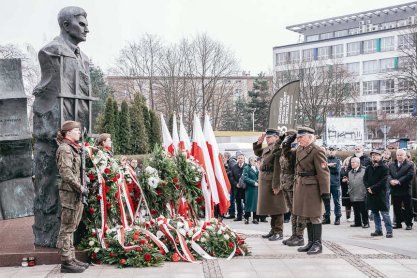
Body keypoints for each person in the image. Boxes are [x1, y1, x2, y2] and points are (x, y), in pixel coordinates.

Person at [56, 121, 89, 273]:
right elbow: (66, 173)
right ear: (68, 132)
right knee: (67, 228)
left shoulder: (73, 148)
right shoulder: (65, 149)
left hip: (75, 193)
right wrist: (80, 187)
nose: (79, 133)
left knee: (72, 227)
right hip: (70, 193)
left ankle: (71, 258)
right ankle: (66, 261)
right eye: (76, 130)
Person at [293, 127, 330, 255]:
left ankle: (317, 244)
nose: (298, 139)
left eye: (301, 137)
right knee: (306, 216)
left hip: (313, 187)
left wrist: (325, 192)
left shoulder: (317, 151)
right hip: (302, 185)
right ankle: (310, 242)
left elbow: (323, 173)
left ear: (310, 137)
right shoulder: (300, 149)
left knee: (315, 216)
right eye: (298, 137)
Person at [253, 129, 288, 241]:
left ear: (276, 137)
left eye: (269, 137)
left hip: (273, 179)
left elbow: (278, 168)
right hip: (265, 179)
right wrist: (259, 142)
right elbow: (258, 153)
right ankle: (273, 230)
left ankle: (278, 231)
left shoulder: (278, 148)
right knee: (270, 207)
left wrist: (277, 185)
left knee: (277, 207)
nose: (267, 139)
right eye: (266, 137)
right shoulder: (269, 148)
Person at [280, 130, 306, 247]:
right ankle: (294, 234)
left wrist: (293, 137)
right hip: (286, 183)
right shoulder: (292, 150)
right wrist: (287, 139)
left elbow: (287, 153)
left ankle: (299, 236)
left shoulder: (299, 151)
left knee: (297, 211)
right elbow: (284, 150)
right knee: (292, 211)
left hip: (293, 183)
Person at [364, 150, 393, 238]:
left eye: (376, 155)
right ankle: (378, 230)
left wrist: (372, 188)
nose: (374, 157)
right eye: (372, 155)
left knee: (384, 213)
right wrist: (368, 188)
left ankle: (389, 231)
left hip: (381, 194)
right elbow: (365, 179)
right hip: (371, 194)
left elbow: (384, 181)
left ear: (380, 156)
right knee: (375, 212)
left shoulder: (384, 167)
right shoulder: (368, 167)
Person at [388, 149, 415, 230]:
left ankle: (409, 224)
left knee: (408, 208)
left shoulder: (410, 165)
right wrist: (390, 180)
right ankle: (398, 223)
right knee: (396, 208)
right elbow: (388, 174)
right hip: (395, 190)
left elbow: (409, 175)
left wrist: (398, 181)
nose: (399, 156)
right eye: (398, 155)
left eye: (401, 155)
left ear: (405, 156)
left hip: (405, 189)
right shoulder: (391, 164)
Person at [345, 157, 369, 228]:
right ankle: (357, 222)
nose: (352, 163)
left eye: (354, 162)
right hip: (353, 194)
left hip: (362, 193)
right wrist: (349, 190)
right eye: (351, 162)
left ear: (358, 163)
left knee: (363, 210)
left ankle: (365, 223)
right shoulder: (350, 172)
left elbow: (367, 182)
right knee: (355, 210)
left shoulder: (364, 171)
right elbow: (349, 183)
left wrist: (366, 191)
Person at [323, 147, 342, 225]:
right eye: (330, 150)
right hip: (326, 184)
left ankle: (337, 218)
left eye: (332, 150)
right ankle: (327, 218)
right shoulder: (324, 159)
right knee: (326, 202)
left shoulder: (338, 160)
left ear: (335, 151)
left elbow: (337, 170)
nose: (331, 152)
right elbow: (322, 168)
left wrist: (327, 166)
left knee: (336, 201)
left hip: (335, 184)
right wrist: (329, 165)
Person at [229, 154, 248, 221]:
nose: (240, 159)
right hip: (237, 187)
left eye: (241, 158)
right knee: (238, 202)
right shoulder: (234, 167)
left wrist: (243, 184)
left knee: (246, 202)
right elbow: (231, 177)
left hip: (245, 187)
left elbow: (248, 176)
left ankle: (246, 216)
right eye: (239, 158)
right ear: (237, 159)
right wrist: (236, 184)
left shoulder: (247, 166)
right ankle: (239, 216)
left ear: (244, 159)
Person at [243, 156, 260, 224]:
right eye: (254, 161)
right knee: (248, 203)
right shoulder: (246, 168)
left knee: (255, 203)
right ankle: (246, 218)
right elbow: (245, 177)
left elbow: (259, 176)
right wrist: (253, 182)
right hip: (250, 188)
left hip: (257, 188)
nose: (255, 162)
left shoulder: (256, 168)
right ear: (250, 161)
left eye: (256, 161)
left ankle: (255, 218)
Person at [224, 152, 237, 219]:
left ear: (226, 157)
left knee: (232, 199)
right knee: (233, 198)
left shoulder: (231, 161)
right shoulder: (232, 161)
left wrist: (226, 173)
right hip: (233, 183)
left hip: (233, 183)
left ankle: (232, 214)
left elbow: (233, 171)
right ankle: (232, 213)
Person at [340, 157, 352, 222]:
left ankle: (355, 217)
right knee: (346, 203)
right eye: (347, 161)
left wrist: (348, 179)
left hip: (350, 186)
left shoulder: (352, 169)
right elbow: (339, 176)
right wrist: (342, 179)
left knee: (352, 202)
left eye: (349, 161)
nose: (348, 162)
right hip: (343, 187)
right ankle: (348, 217)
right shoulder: (342, 169)